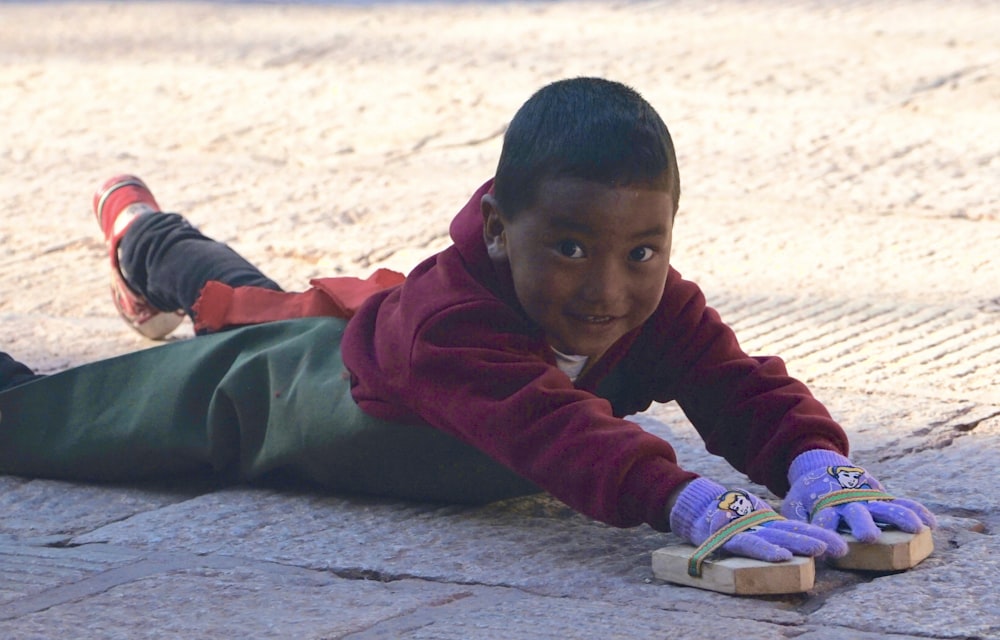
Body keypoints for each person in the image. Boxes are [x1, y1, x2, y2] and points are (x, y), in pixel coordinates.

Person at [0, 77, 935, 565]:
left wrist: (814, 460)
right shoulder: (452, 324)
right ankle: (145, 240)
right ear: (497, 228)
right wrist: (683, 499)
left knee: (240, 304)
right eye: (570, 247)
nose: (608, 287)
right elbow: (552, 428)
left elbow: (736, 383)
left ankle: (146, 238)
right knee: (52, 419)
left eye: (641, 251)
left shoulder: (654, 301)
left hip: (377, 327)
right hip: (285, 390)